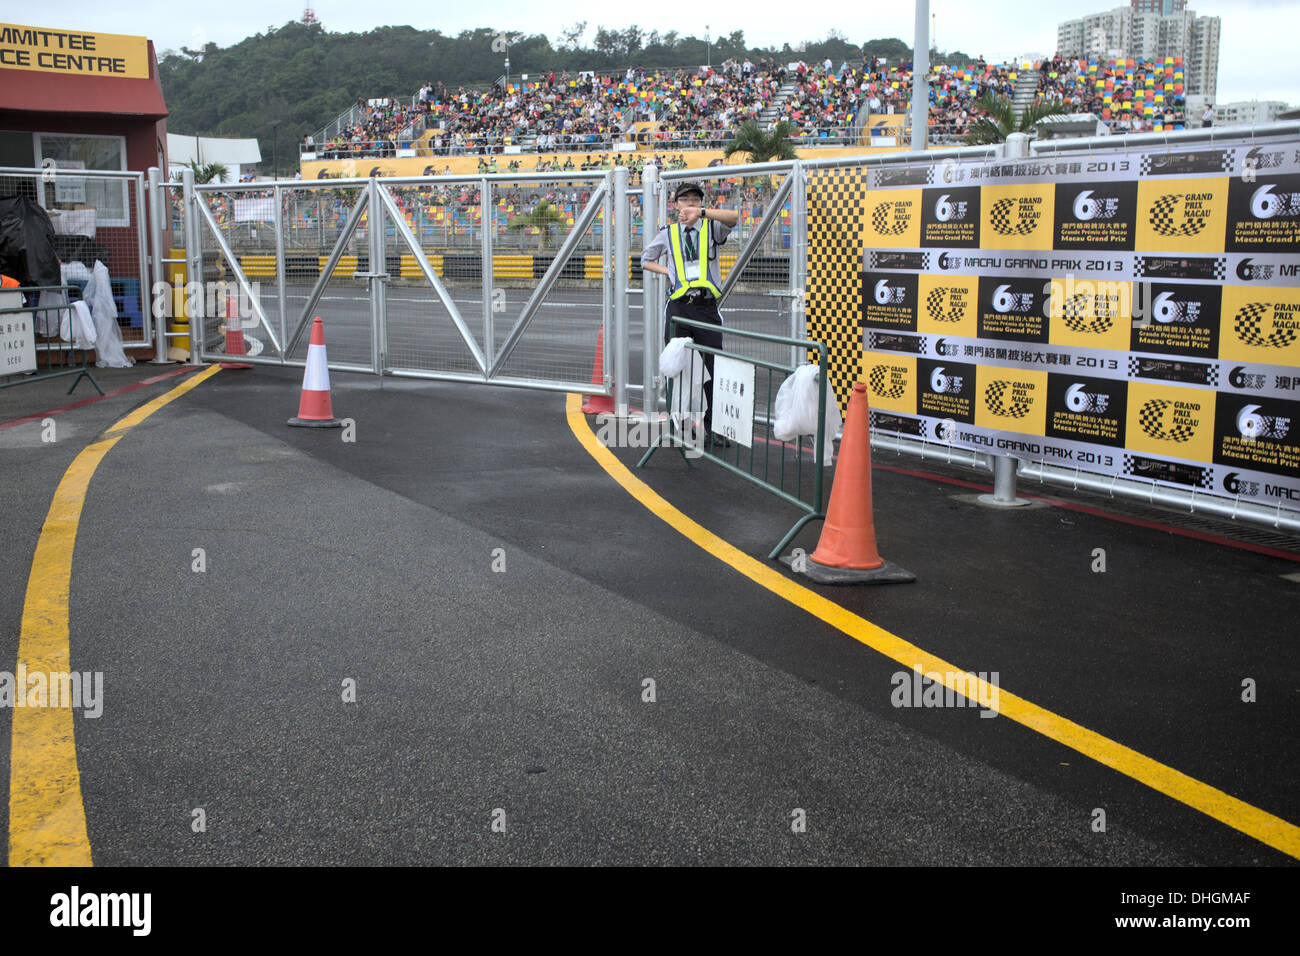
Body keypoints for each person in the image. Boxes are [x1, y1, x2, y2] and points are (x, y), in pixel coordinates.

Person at [640, 182, 740, 447]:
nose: (691, 204)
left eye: (696, 200)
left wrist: (704, 213)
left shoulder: (711, 227)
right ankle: (678, 426)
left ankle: (712, 427)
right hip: (679, 307)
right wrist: (668, 273)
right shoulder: (669, 233)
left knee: (712, 367)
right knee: (678, 368)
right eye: (686, 200)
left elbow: (734, 218)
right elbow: (645, 259)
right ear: (676, 205)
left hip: (706, 308)